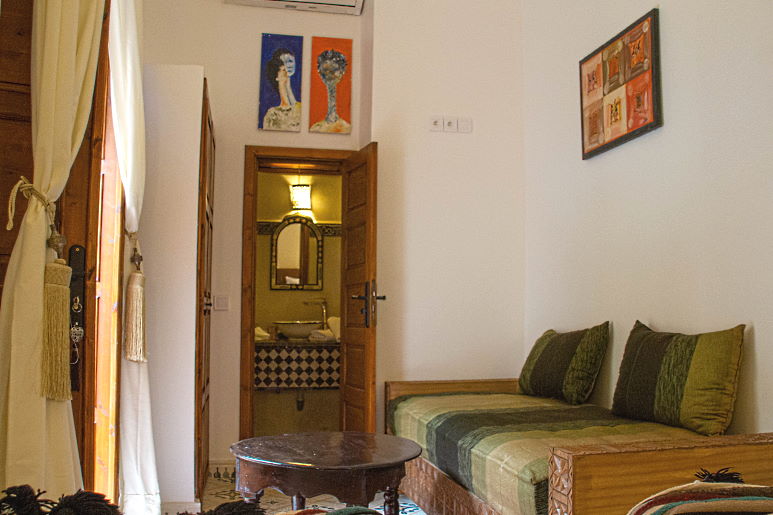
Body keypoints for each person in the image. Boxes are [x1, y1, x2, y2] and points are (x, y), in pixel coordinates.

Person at [310, 49, 351, 133]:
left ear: (342, 71)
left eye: (333, 70)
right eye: (325, 71)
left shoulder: (347, 128)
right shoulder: (315, 128)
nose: (328, 75)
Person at [262, 48, 301, 131]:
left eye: (290, 61)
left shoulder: (300, 107)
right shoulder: (272, 114)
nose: (288, 66)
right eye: (284, 63)